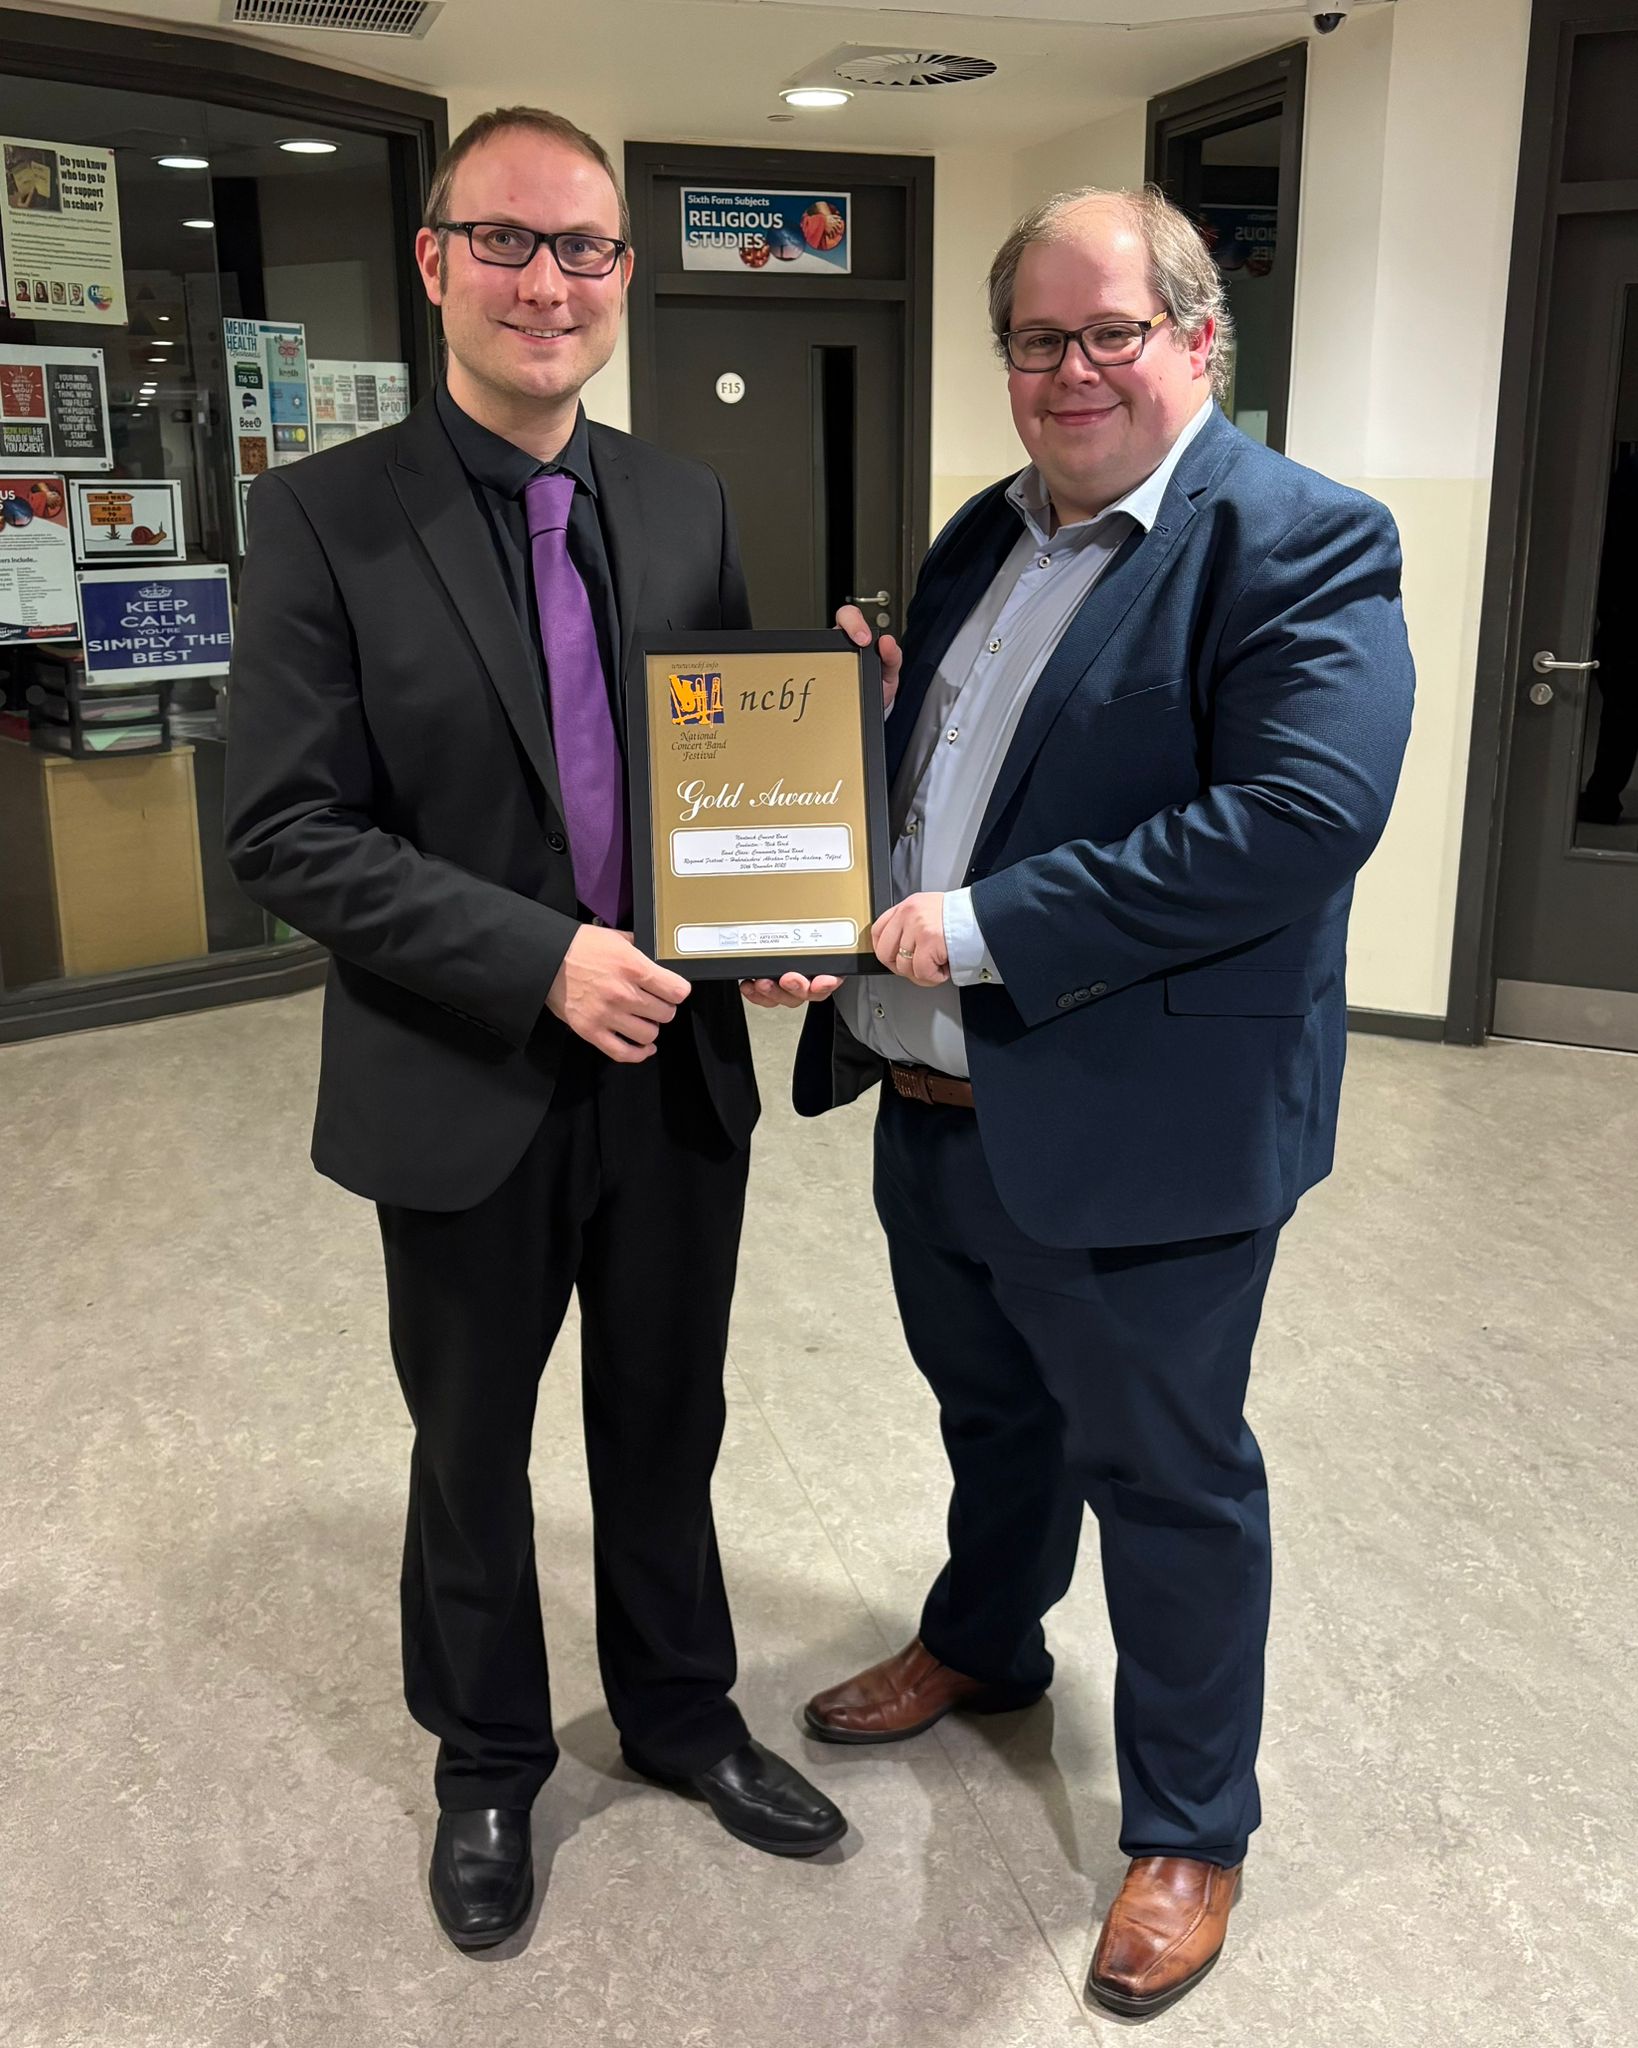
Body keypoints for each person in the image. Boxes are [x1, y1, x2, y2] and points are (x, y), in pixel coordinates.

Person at [746, 185, 1415, 2020]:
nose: (1071, 370)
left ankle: (1191, 1824)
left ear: (1199, 340)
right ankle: (984, 1642)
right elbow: (961, 775)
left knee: (1170, 1479)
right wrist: (834, 845)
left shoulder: (1299, 543)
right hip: (938, 1098)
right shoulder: (986, 536)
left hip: (1150, 1133)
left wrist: (966, 924)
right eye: (1037, 339)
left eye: (1110, 330)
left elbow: (1289, 823)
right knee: (993, 1420)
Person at [225, 106, 845, 1955]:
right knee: (472, 1440)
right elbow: (286, 829)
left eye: (581, 249)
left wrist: (771, 919)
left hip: (670, 1066)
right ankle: (487, 1757)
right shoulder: (323, 513)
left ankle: (676, 1715)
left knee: (667, 1422)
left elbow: (707, 766)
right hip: (463, 1067)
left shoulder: (679, 501)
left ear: (623, 282)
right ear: (433, 264)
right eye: (505, 241)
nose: (546, 281)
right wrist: (538, 956)